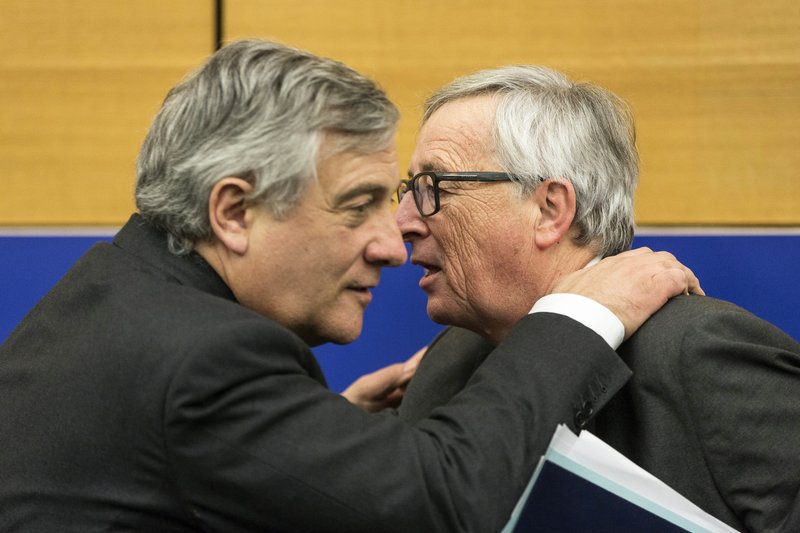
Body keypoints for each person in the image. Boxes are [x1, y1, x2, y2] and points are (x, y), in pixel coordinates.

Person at [0, 40, 699, 533]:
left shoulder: (112, 289)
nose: (391, 243)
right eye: (357, 204)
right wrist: (577, 316)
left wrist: (300, 442)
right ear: (235, 212)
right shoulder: (206, 360)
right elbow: (439, 507)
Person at [395, 65, 800, 532]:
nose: (404, 221)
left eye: (435, 188)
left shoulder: (701, 352)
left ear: (549, 210)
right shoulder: (448, 365)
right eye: (409, 191)